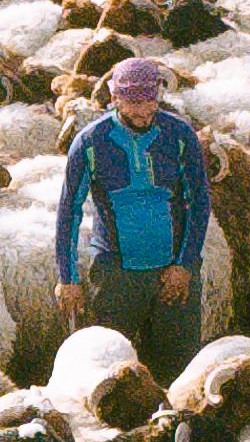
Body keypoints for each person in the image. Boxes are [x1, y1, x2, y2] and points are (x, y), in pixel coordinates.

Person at [60, 51, 215, 370]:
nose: (145, 112)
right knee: (115, 371)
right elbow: (69, 212)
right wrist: (68, 277)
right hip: (117, 276)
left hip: (171, 273)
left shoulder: (179, 135)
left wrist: (185, 265)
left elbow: (199, 202)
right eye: (134, 103)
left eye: (150, 101)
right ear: (115, 97)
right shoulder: (90, 143)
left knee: (178, 368)